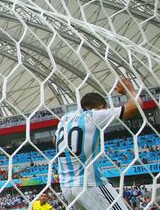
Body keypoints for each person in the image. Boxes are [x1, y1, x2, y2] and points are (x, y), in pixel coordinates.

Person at [55, 77, 144, 209]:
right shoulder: (94, 115)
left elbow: (55, 140)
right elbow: (136, 105)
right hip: (90, 185)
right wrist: (128, 90)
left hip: (67, 188)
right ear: (102, 107)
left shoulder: (65, 118)